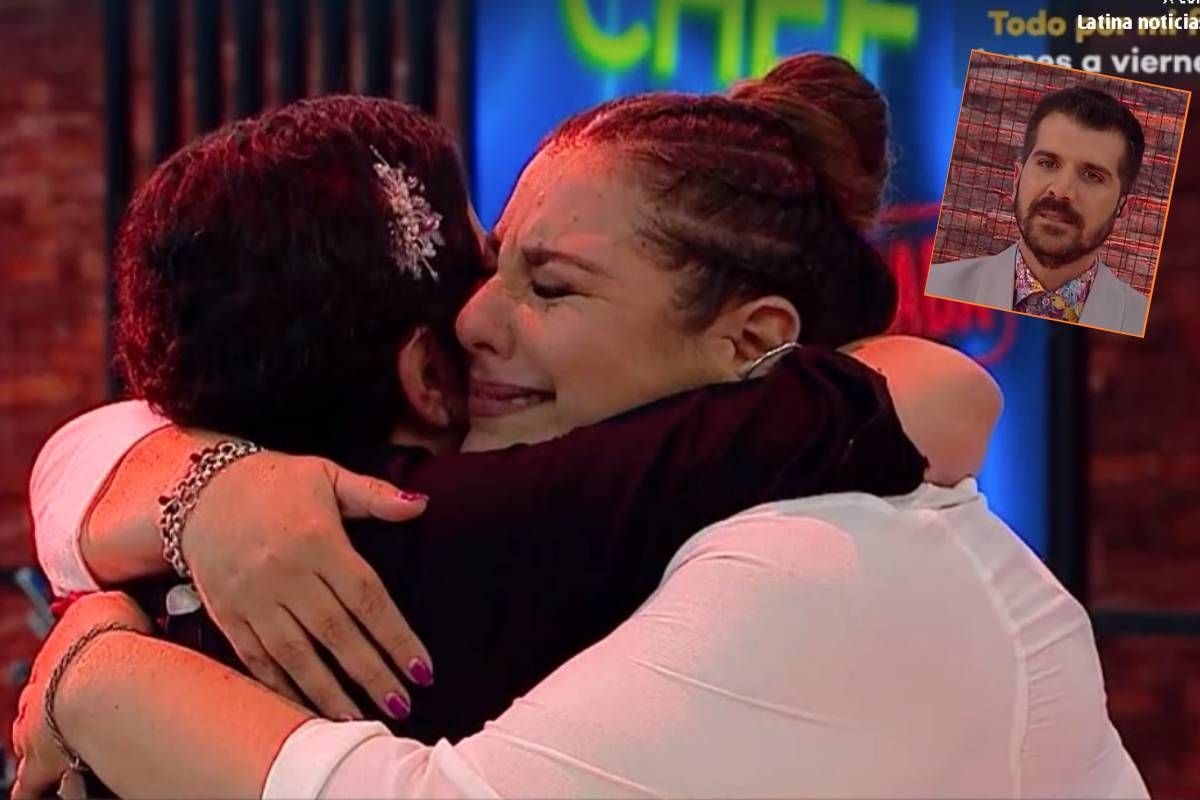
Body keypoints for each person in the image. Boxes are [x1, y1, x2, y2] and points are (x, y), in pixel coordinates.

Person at [15, 55, 1145, 798]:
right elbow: (102, 444)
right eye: (494, 262)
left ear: (749, 341)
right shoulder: (638, 508)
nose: (473, 318)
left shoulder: (825, 556)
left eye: (549, 287)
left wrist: (91, 665)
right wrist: (196, 489)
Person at [926, 86, 1151, 335]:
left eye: (1092, 176)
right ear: (1016, 179)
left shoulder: (1144, 325)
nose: (1061, 191)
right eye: (1048, 163)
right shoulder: (936, 287)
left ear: (1123, 209)